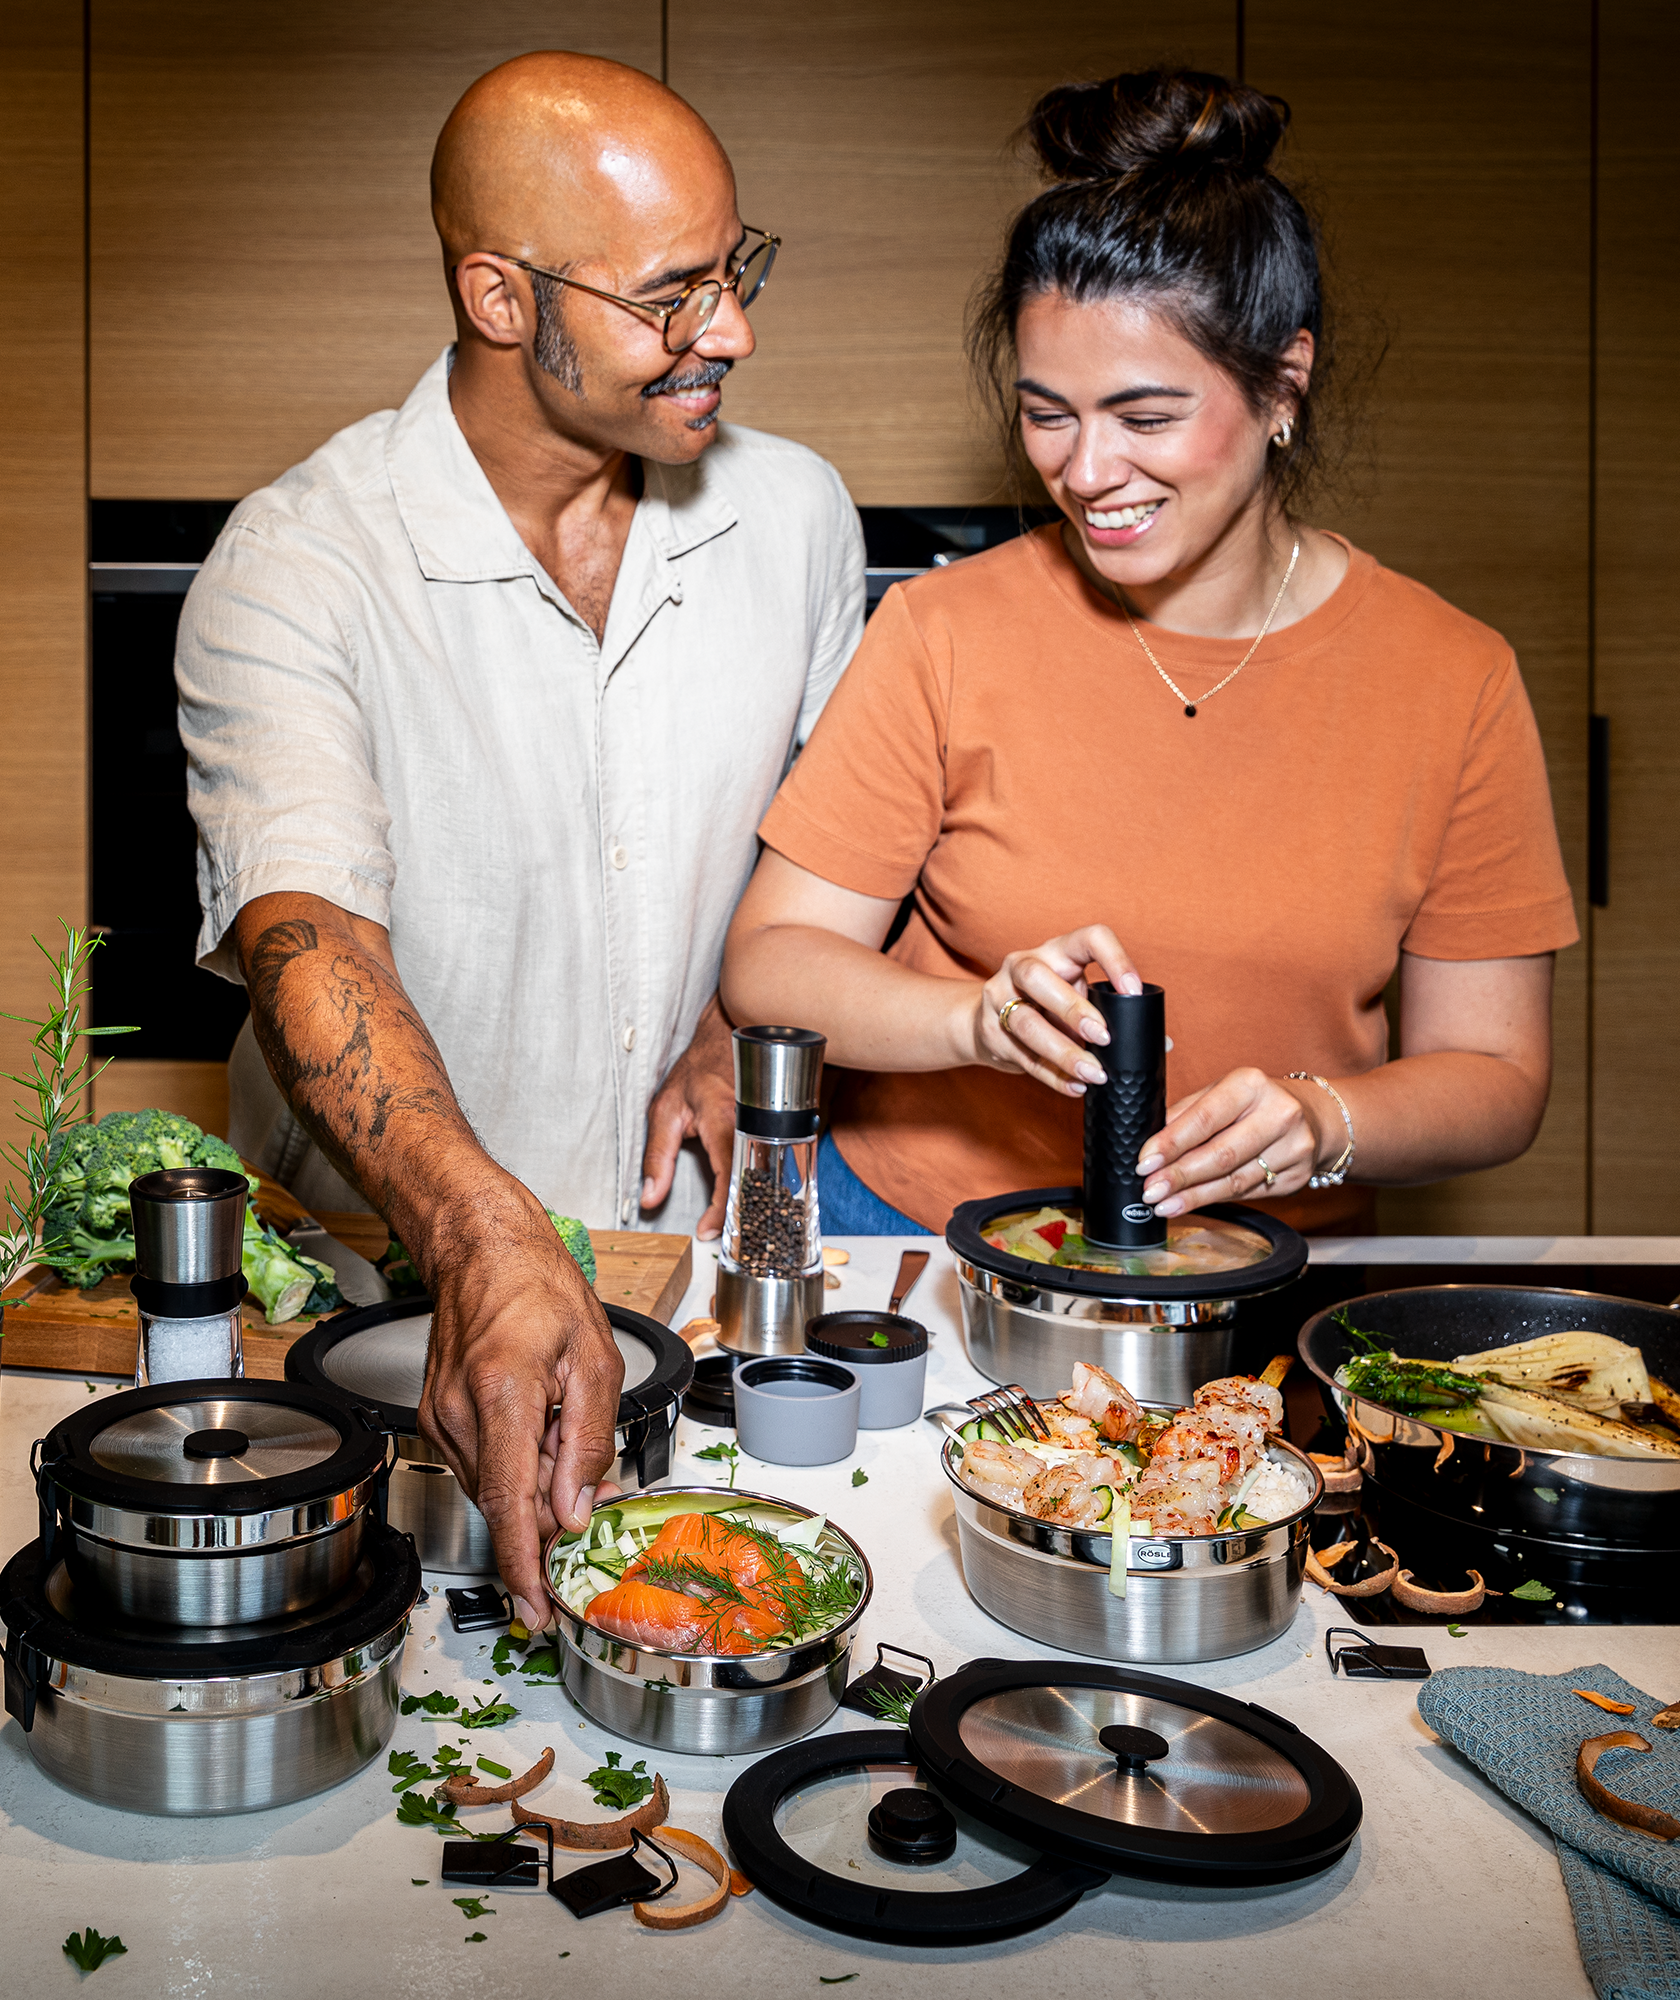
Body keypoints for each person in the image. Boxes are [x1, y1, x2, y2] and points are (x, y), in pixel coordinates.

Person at [177, 53, 864, 1626]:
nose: (733, 334)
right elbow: (309, 937)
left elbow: (830, 833)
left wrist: (733, 1006)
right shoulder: (297, 564)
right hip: (375, 1284)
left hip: (686, 1263)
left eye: (737, 270)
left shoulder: (802, 515)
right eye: (674, 295)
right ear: (501, 295)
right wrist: (483, 1235)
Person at [721, 68, 1576, 1237]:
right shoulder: (941, 630)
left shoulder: (1451, 676)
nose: (1083, 471)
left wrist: (1322, 1120)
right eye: (1046, 412)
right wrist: (973, 1021)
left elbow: (1494, 1073)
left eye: (1144, 417)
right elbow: (772, 961)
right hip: (927, 1236)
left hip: (1258, 1270)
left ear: (1283, 378)